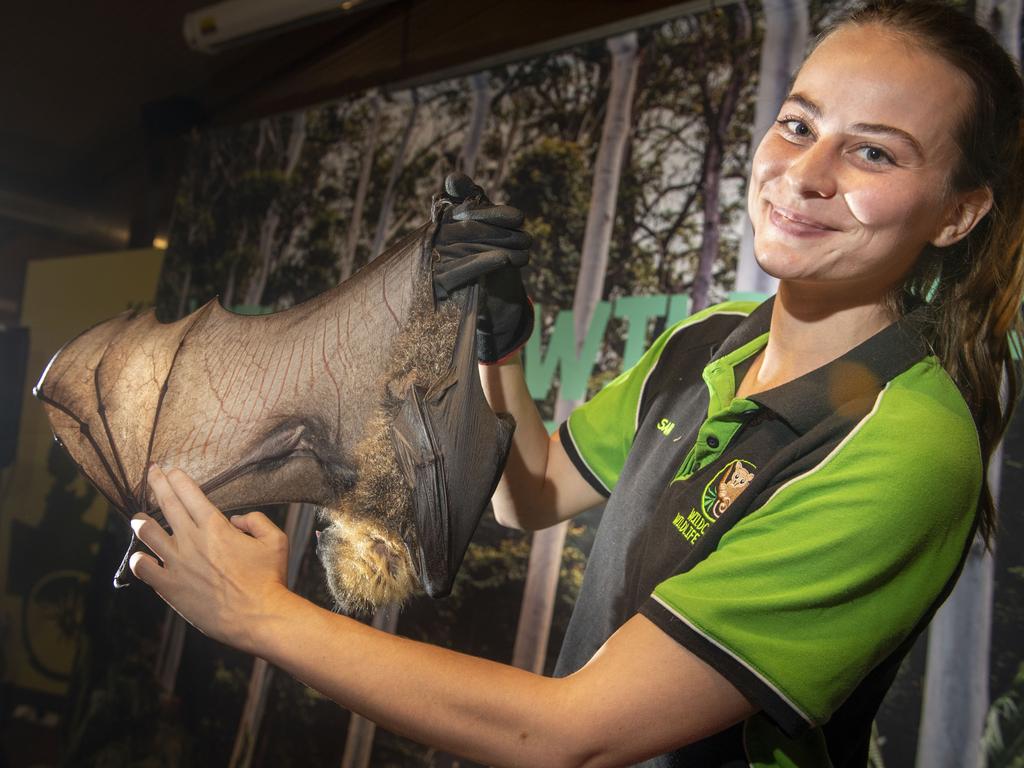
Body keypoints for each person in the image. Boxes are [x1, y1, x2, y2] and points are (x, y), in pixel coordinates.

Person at [127, 2, 1024, 765]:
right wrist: (501, 349)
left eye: (874, 154)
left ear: (958, 212)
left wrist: (261, 616)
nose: (806, 174)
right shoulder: (706, 343)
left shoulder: (905, 443)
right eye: (798, 124)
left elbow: (575, 737)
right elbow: (533, 495)